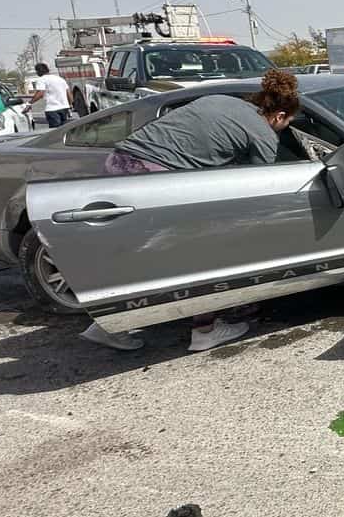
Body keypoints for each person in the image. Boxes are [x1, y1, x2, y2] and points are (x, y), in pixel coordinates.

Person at [80, 69, 301, 353]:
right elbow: (260, 186)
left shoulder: (220, 99)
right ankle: (205, 330)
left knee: (141, 255)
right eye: (287, 123)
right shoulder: (263, 133)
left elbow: (200, 142)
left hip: (120, 164)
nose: (282, 129)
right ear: (280, 116)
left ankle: (104, 324)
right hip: (158, 180)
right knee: (204, 254)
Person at [27, 62, 73, 128]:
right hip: (64, 108)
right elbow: (68, 93)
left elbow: (40, 93)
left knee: (54, 131)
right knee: (64, 130)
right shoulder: (60, 79)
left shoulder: (42, 79)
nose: (37, 73)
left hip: (52, 109)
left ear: (39, 71)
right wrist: (70, 105)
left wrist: (30, 103)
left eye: (36, 71)